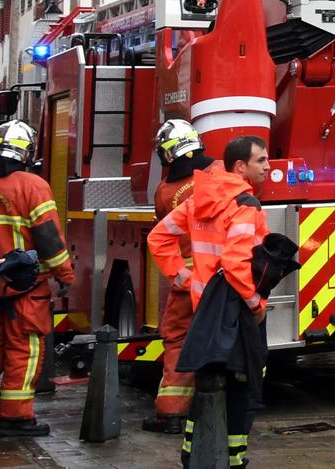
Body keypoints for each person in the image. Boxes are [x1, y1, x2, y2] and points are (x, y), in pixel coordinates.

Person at [148, 135, 270, 469]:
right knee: (242, 389)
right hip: (237, 312)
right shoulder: (246, 205)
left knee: (207, 387)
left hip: (205, 310)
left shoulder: (198, 200)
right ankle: (233, 460)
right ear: (240, 166)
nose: (268, 167)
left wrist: (183, 277)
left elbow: (158, 236)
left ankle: (194, 453)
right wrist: (256, 305)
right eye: (261, 161)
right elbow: (235, 264)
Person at [0, 121, 75, 439]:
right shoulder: (32, 185)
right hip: (27, 288)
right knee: (24, 352)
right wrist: (65, 274)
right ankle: (15, 417)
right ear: (25, 152)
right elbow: (48, 238)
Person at [141, 121, 212, 435]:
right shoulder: (218, 175)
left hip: (185, 281)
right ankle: (218, 407)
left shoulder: (164, 191)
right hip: (220, 280)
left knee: (178, 342)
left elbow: (161, 236)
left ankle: (171, 413)